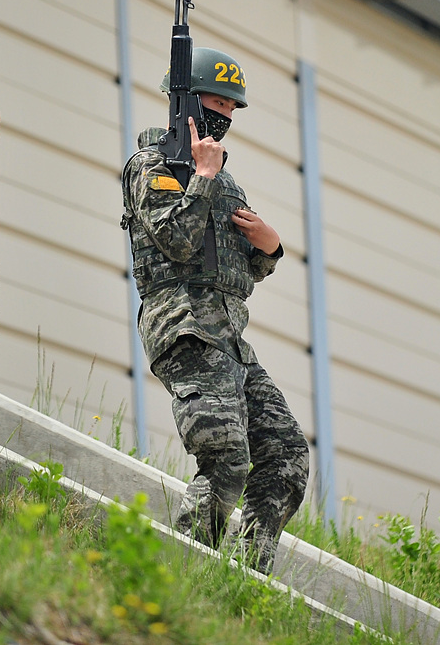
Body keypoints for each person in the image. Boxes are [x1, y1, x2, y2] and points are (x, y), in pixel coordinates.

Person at [120, 47, 309, 574]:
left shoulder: (225, 181)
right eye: (216, 102)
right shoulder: (150, 166)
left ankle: (248, 575)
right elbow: (176, 243)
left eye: (232, 107)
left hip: (229, 340)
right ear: (184, 98)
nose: (224, 116)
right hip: (183, 331)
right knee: (225, 460)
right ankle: (190, 571)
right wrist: (202, 176)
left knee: (287, 459)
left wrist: (268, 250)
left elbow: (237, 274)